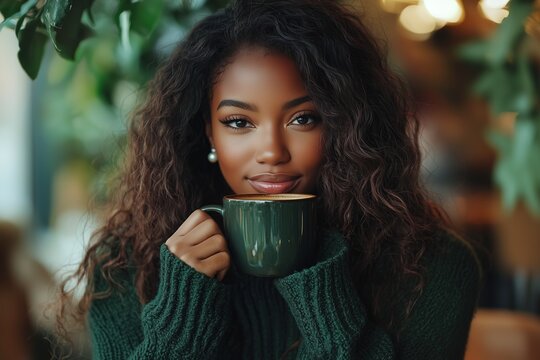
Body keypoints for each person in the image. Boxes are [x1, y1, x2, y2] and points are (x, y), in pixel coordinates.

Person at [58, 0, 482, 358]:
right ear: (208, 132)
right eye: (239, 121)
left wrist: (325, 301)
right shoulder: (126, 265)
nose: (272, 152)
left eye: (304, 118)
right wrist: (181, 318)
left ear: (345, 127)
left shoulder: (432, 268)